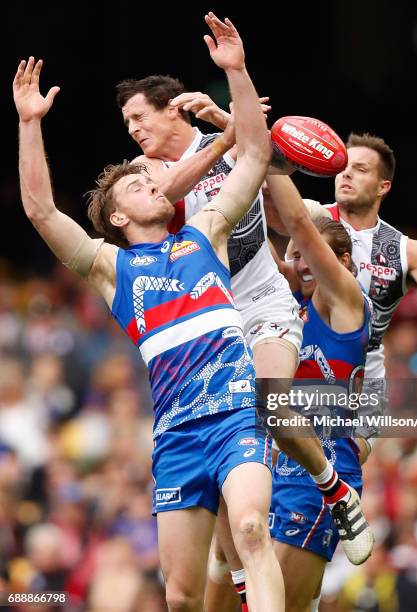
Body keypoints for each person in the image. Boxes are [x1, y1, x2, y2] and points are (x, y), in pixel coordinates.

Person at [13, 13, 284, 612]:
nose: (155, 184)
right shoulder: (111, 269)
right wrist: (31, 124)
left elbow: (257, 151)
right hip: (177, 435)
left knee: (249, 530)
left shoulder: (207, 233)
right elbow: (39, 209)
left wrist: (235, 71)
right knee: (182, 597)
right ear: (116, 216)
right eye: (138, 186)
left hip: (238, 414)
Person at [116, 31, 375, 575]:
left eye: (140, 117)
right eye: (128, 125)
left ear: (174, 110)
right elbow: (168, 193)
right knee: (231, 497)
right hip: (208, 326)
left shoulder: (228, 140)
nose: (134, 130)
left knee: (270, 405)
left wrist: (234, 73)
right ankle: (242, 586)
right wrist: (224, 133)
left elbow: (269, 160)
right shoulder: (147, 180)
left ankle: (336, 492)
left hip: (261, 304)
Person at [266, 132, 417, 445]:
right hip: (295, 356)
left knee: (348, 466)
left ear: (383, 186)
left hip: (363, 376)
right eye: (344, 167)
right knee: (282, 468)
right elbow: (264, 197)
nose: (347, 173)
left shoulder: (408, 252)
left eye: (361, 169)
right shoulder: (310, 216)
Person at [266, 174, 375, 612]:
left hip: (321, 475)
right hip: (283, 470)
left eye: (309, 254)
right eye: (293, 257)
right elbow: (255, 252)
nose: (300, 263)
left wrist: (271, 160)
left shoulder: (343, 300)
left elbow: (296, 220)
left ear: (343, 262)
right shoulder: (295, 312)